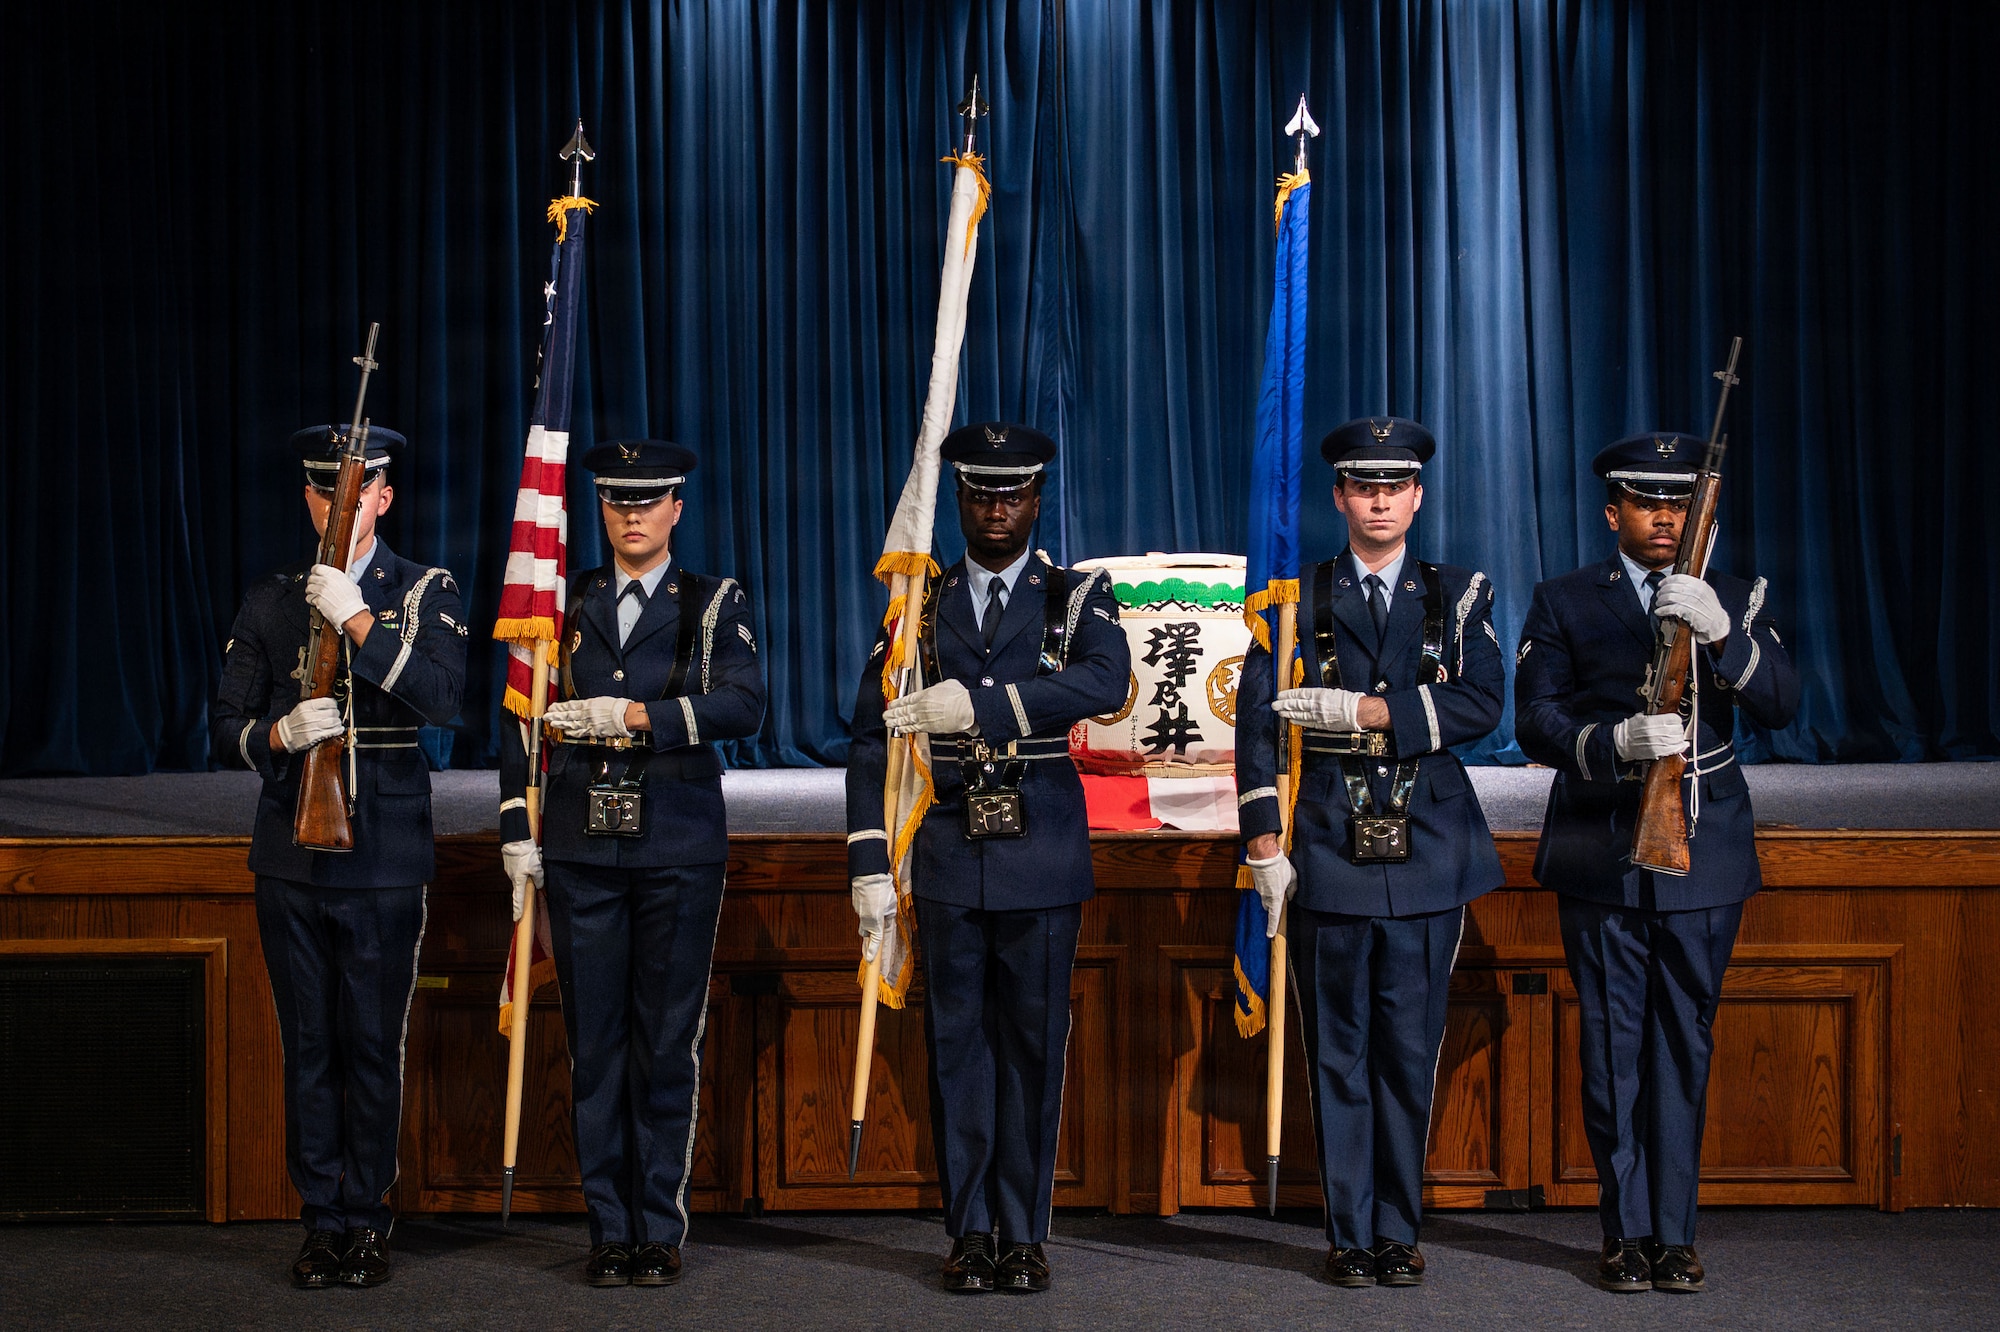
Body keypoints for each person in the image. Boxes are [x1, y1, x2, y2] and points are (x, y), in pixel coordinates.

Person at [844, 422, 1130, 1294]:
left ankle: (1025, 1230)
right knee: (956, 1045)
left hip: (1039, 844)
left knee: (1035, 1048)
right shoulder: (918, 605)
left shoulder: (1075, 595)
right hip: (945, 845)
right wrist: (866, 858)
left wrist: (978, 707)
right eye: (979, 494)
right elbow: (870, 734)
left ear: (1037, 499)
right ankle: (969, 1231)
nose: (997, 508)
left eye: (1012, 494)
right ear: (960, 501)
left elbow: (1102, 683)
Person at [1514, 431, 1798, 1294]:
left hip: (1701, 849)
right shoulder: (1565, 599)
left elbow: (1783, 704)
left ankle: (1674, 1232)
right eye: (1646, 502)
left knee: (1684, 1044)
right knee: (1612, 1048)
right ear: (1615, 514)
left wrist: (1724, 638)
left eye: (1678, 503)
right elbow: (1535, 719)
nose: (1665, 516)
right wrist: (1612, 743)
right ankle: (1623, 1229)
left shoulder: (1735, 594)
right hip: (1602, 845)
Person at [1235, 417, 1505, 1288]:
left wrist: (1373, 714)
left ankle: (1400, 1226)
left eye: (1396, 486)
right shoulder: (1292, 602)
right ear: (1341, 497)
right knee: (1339, 1053)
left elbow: (1483, 702)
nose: (1380, 499)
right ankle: (1350, 1232)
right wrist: (1264, 844)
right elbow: (1253, 733)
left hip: (1427, 848)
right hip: (1327, 847)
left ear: (1417, 498)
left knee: (1408, 1053)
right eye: (1364, 485)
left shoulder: (1459, 594)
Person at [497, 439, 765, 1288]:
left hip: (678, 845)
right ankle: (609, 1228)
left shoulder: (713, 600)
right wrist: (515, 825)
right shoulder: (561, 602)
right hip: (582, 845)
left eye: (649, 502)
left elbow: (745, 702)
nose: (633, 515)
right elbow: (515, 713)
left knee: (663, 1045)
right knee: (597, 1044)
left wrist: (640, 717)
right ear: (602, 512)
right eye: (617, 502)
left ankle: (659, 1223)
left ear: (676, 509)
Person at [211, 425, 466, 1289]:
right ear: (309, 498)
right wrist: (278, 733)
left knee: (372, 1043)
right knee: (309, 1043)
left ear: (383, 499)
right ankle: (321, 1220)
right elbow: (225, 725)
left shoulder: (424, 589)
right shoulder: (272, 598)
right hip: (292, 854)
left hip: (386, 857)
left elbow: (443, 699)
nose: (339, 506)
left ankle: (369, 1215)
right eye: (325, 492)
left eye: (355, 492)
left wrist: (358, 621)